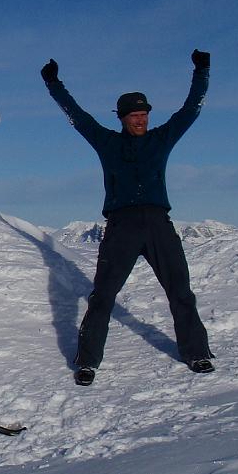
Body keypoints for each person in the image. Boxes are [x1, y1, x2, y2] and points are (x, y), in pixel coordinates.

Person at [41, 50, 215, 385]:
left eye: (144, 114)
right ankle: (87, 362)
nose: (140, 119)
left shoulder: (161, 139)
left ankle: (197, 353)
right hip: (121, 227)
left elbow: (191, 109)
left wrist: (202, 70)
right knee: (102, 296)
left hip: (158, 224)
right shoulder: (106, 142)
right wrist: (53, 83)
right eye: (133, 115)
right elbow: (76, 114)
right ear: (121, 118)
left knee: (181, 290)